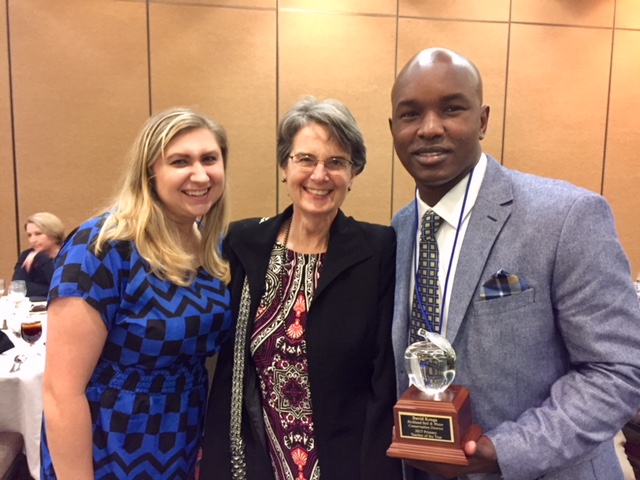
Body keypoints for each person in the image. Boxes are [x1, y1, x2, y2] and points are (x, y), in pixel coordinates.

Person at [389, 47, 640, 480]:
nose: (430, 129)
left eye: (451, 109)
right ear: (393, 129)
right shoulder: (399, 231)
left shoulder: (566, 217)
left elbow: (618, 370)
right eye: (411, 115)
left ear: (482, 119)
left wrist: (503, 451)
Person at [200, 97, 402, 480]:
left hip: (343, 464)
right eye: (305, 159)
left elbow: (382, 378)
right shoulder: (244, 243)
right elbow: (226, 368)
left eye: (336, 162)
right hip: (255, 463)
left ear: (353, 172)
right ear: (284, 166)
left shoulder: (376, 250)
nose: (319, 175)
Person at [41, 107, 233, 479]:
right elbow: (60, 393)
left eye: (210, 159)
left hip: (185, 435)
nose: (200, 174)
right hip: (111, 441)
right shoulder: (103, 247)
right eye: (180, 161)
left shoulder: (214, 247)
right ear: (150, 172)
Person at [12, 212, 65, 299]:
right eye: (29, 235)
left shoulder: (68, 254)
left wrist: (41, 257)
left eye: (38, 234)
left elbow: (62, 288)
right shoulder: (26, 255)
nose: (32, 240)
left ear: (54, 234)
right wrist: (50, 289)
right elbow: (18, 288)